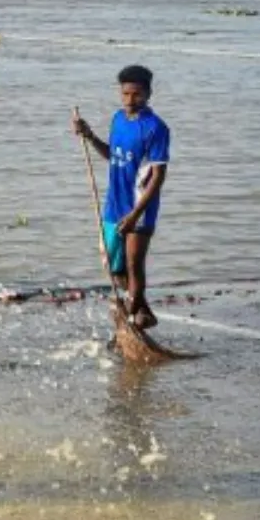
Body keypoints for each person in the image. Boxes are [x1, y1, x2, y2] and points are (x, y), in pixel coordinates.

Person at [72, 64, 171, 330]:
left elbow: (158, 177)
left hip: (139, 208)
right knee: (115, 269)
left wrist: (135, 214)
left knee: (133, 264)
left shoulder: (156, 128)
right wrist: (90, 136)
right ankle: (143, 312)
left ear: (148, 94)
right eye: (125, 94)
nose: (130, 100)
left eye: (137, 94)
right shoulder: (117, 119)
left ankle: (129, 321)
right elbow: (113, 156)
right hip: (113, 205)